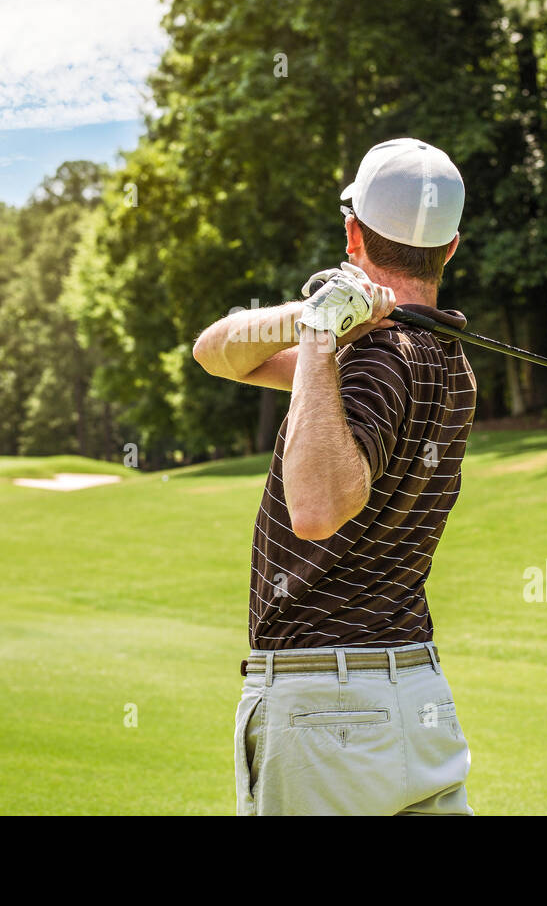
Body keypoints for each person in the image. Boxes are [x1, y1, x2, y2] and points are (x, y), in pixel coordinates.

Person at [192, 137, 478, 815]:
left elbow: (317, 506)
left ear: (352, 231)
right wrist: (314, 322)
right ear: (451, 246)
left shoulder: (367, 358)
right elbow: (216, 352)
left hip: (326, 714)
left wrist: (322, 333)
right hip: (418, 699)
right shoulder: (450, 362)